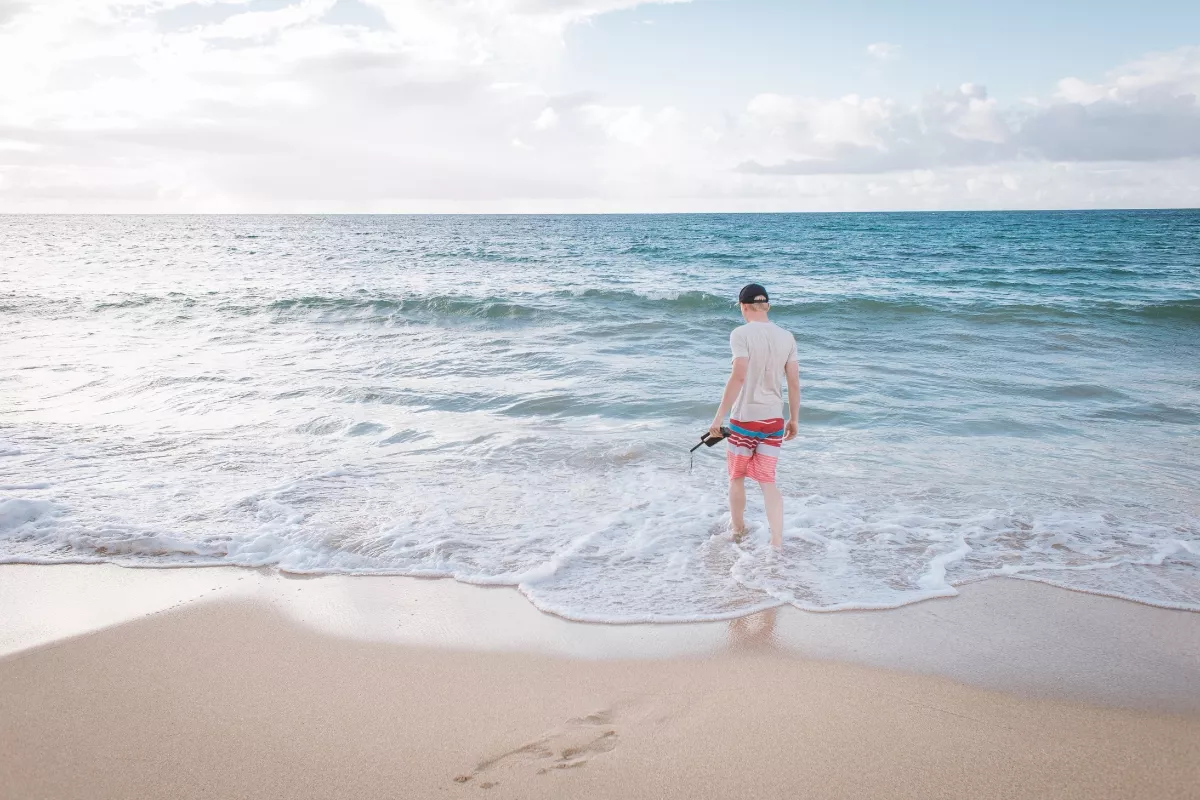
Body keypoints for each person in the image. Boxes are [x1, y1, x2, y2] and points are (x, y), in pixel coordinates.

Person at [708, 283, 800, 547]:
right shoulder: (787, 336)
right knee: (768, 482)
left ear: (743, 307)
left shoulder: (741, 334)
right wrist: (793, 419)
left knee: (736, 478)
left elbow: (739, 375)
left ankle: (738, 530)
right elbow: (794, 382)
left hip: (745, 420)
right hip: (773, 421)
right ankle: (777, 542)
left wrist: (718, 419)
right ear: (767, 306)